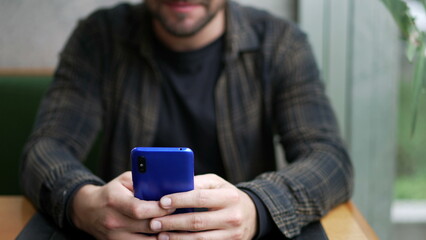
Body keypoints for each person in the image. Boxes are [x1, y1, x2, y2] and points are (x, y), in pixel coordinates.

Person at [20, 0, 353, 239]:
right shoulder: (100, 38)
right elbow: (45, 149)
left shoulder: (280, 43)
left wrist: (256, 208)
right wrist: (84, 203)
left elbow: (329, 159)